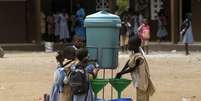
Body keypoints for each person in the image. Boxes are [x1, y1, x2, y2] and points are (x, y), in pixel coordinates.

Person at [116, 34, 155, 101]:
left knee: (142, 97)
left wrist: (121, 73)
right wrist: (121, 71)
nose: (128, 46)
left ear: (135, 46)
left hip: (142, 82)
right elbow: (128, 63)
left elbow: (132, 68)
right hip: (139, 81)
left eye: (130, 44)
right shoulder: (134, 54)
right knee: (140, 96)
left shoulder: (139, 57)